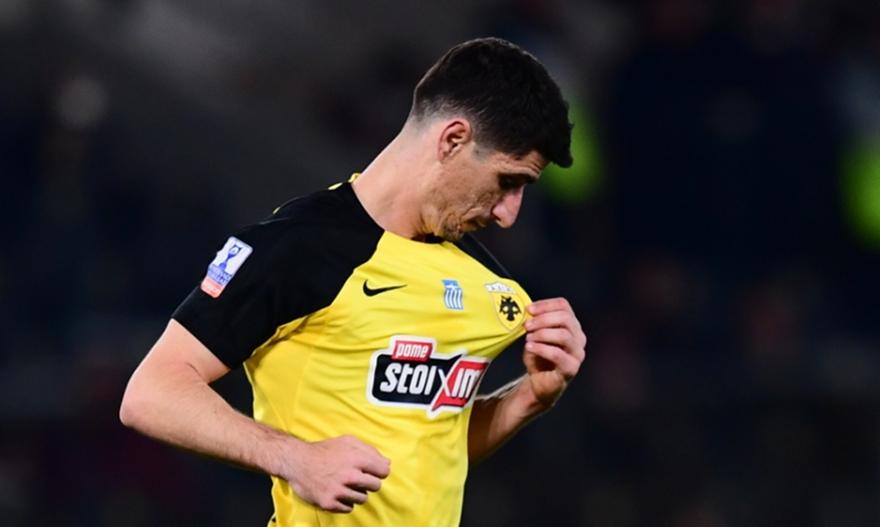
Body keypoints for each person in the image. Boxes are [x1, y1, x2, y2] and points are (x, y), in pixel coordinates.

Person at [120, 37, 587, 527]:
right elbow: (152, 393)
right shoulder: (299, 248)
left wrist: (530, 397)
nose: (509, 214)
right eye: (508, 182)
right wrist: (295, 458)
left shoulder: (485, 281)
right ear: (452, 140)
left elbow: (437, 445)